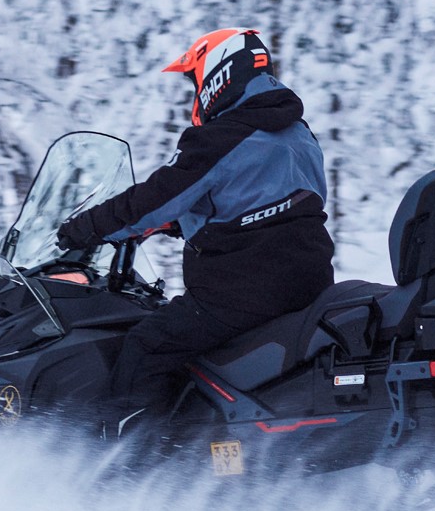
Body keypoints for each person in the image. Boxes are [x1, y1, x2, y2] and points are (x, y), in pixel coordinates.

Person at [56, 28, 335, 429]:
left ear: (218, 75)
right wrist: (174, 224)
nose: (195, 92)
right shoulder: (298, 133)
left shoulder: (223, 138)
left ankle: (129, 468)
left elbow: (156, 197)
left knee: (145, 348)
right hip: (308, 285)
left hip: (241, 294)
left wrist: (84, 228)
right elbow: (260, 203)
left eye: (195, 80)